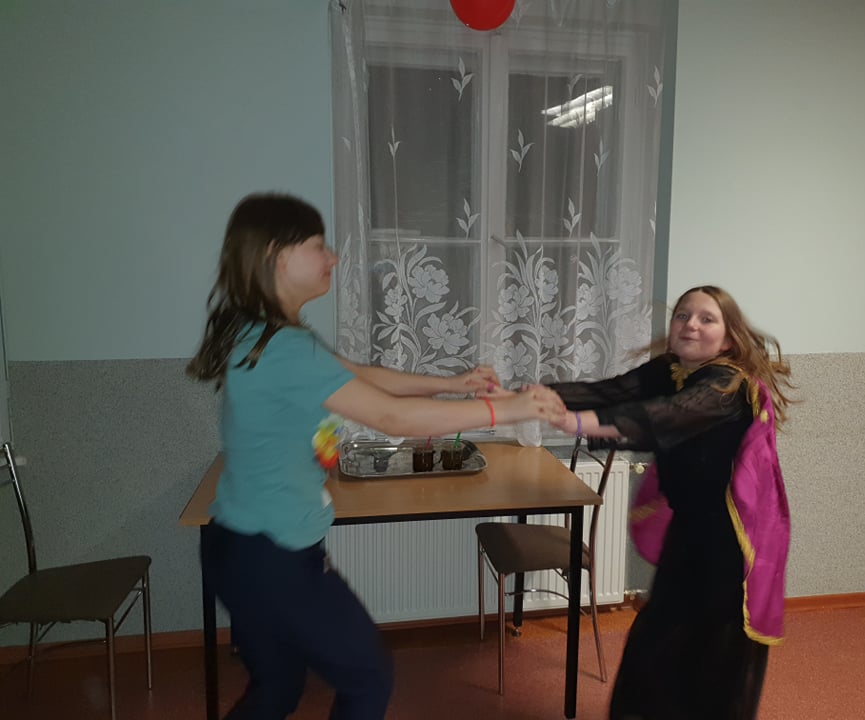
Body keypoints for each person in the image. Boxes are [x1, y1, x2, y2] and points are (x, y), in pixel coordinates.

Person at [186, 192, 565, 720]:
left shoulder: (260, 334)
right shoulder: (285, 346)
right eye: (318, 245)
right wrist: (505, 409)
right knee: (368, 679)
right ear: (277, 255)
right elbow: (393, 418)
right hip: (273, 558)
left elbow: (360, 376)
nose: (333, 256)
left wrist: (451, 383)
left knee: (278, 687)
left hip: (237, 547)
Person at [544, 285, 793, 720]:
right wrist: (536, 396)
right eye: (682, 315)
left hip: (729, 542)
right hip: (690, 529)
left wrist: (577, 422)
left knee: (713, 652)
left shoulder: (728, 385)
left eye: (706, 319)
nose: (690, 325)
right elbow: (611, 392)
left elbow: (665, 416)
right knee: (659, 637)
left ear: (729, 339)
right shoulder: (672, 369)